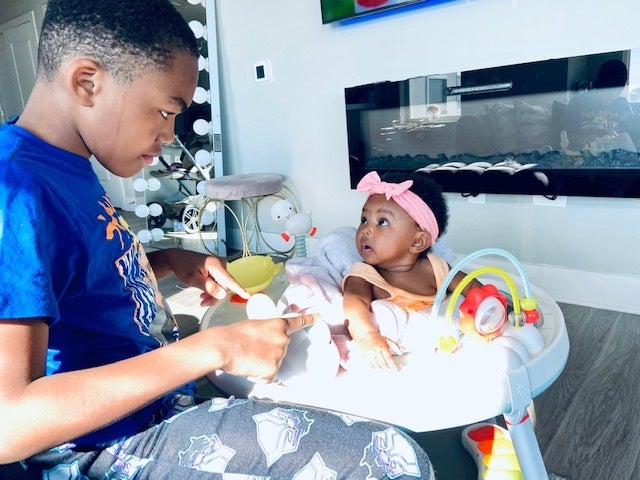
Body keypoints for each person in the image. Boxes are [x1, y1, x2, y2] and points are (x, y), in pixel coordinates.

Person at [0, 1, 435, 478]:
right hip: (99, 447)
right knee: (394, 460)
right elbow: (10, 423)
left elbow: (71, 273)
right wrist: (211, 349)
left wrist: (167, 260)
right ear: (87, 82)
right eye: (165, 112)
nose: (169, 134)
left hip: (150, 397)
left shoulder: (64, 164)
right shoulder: (17, 191)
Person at [343, 171, 481, 370]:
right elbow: (354, 304)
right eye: (364, 219)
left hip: (443, 355)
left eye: (382, 222)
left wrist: (490, 307)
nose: (366, 229)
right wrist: (367, 336)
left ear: (418, 241)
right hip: (399, 363)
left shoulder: (436, 268)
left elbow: (472, 287)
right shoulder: (365, 275)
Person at [564, 58, 637, 153]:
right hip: (582, 155)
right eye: (607, 91)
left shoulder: (622, 104)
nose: (610, 96)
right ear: (599, 85)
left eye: (616, 92)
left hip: (611, 158)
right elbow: (565, 135)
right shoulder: (578, 102)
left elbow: (629, 138)